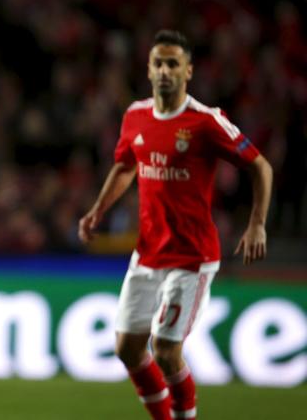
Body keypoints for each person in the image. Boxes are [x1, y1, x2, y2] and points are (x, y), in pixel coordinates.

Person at [78, 30, 272, 420]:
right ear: (149, 70)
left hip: (191, 256)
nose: (164, 71)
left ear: (188, 71)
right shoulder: (135, 115)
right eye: (158, 63)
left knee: (166, 352)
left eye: (172, 64)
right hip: (148, 252)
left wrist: (257, 224)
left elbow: (259, 165)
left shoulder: (206, 121)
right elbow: (124, 165)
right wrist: (98, 211)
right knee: (127, 349)